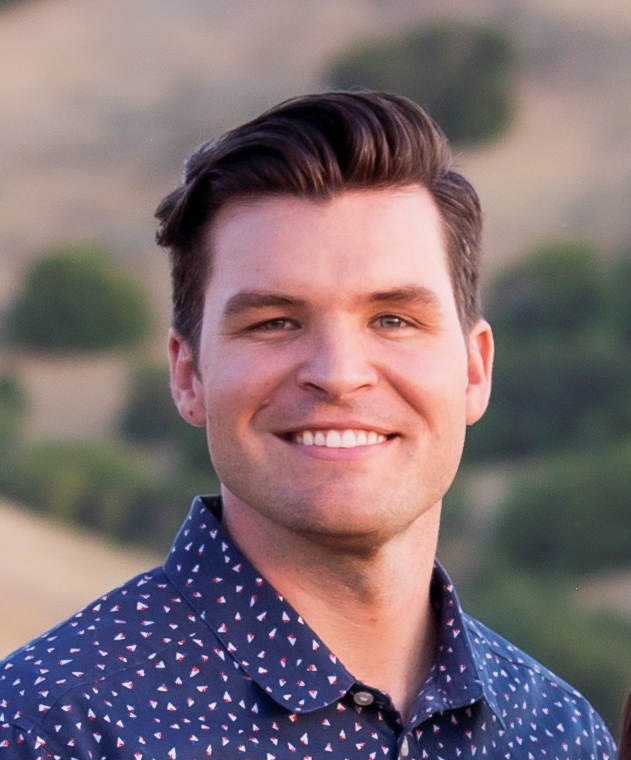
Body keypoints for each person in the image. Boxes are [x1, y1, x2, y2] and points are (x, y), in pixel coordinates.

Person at [0, 91, 615, 759]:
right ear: (188, 375)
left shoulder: (559, 735)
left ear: (474, 369)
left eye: (393, 319)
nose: (338, 373)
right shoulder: (48, 728)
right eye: (274, 323)